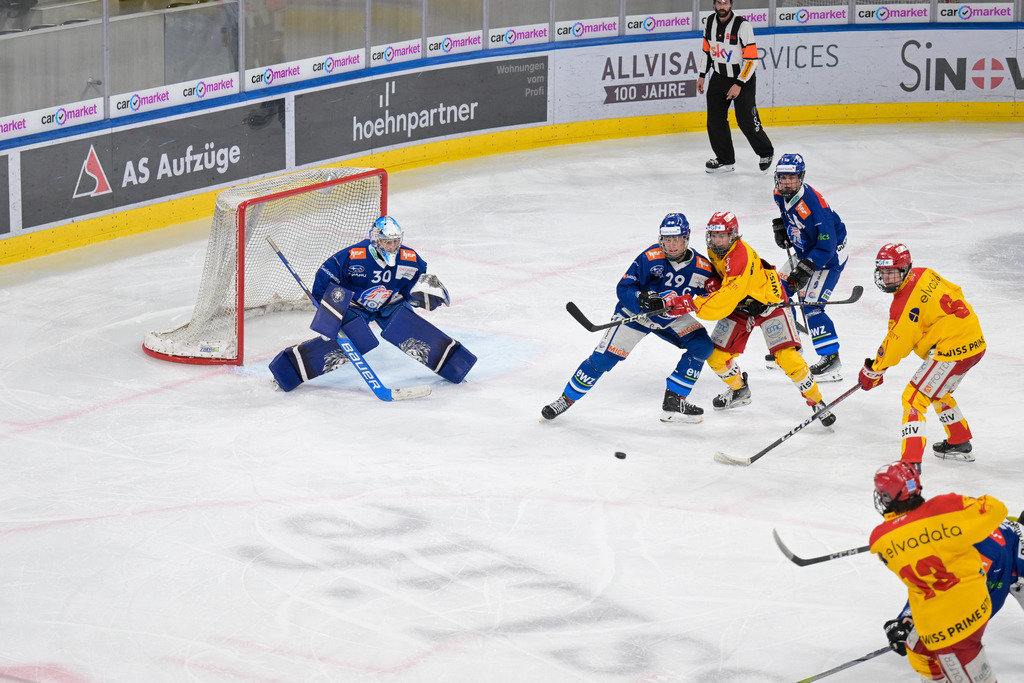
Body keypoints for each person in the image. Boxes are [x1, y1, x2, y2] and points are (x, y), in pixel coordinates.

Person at [663, 211, 836, 426]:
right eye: (713, 236)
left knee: (788, 358)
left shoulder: (739, 257)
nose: (717, 241)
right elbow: (723, 283)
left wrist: (690, 303)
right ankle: (739, 390)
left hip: (770, 304)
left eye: (722, 236)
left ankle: (817, 401)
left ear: (733, 235)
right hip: (741, 305)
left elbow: (724, 299)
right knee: (716, 357)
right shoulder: (714, 250)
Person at [268, 215, 476, 391]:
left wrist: (421, 296)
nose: (392, 246)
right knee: (353, 340)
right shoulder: (353, 256)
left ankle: (456, 366)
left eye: (395, 241)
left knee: (409, 328)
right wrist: (330, 314)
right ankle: (286, 372)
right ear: (376, 239)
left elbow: (412, 286)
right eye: (387, 241)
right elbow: (324, 280)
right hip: (356, 305)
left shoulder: (410, 258)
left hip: (389, 303)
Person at [541, 213, 715, 423]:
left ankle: (675, 399)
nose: (671, 245)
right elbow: (624, 288)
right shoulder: (650, 257)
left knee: (703, 346)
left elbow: (715, 298)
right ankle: (565, 400)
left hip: (671, 318)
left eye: (676, 239)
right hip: (636, 316)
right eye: (667, 239)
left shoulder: (703, 268)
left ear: (686, 238)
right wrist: (641, 299)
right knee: (602, 360)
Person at [869, 461, 1008, 683]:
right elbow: (997, 509)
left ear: (886, 496)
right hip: (977, 606)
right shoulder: (946, 507)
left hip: (945, 629)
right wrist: (958, 509)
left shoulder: (880, 540)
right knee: (918, 651)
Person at [858, 243, 986, 469]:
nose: (887, 278)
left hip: (952, 349)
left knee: (913, 397)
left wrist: (874, 369)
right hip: (974, 341)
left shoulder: (903, 304)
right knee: (937, 390)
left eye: (892, 272)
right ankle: (959, 441)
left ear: (905, 268)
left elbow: (897, 343)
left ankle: (911, 461)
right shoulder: (924, 273)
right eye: (883, 272)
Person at [883, 512, 1024, 678]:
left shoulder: (990, 548)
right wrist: (907, 617)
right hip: (998, 557)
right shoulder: (981, 552)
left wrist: (912, 619)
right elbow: (935, 582)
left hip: (1001, 559)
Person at [770, 153, 849, 382]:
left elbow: (828, 245)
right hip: (808, 250)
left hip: (829, 257)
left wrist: (804, 269)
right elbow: (790, 215)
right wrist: (784, 228)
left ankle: (831, 360)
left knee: (811, 305)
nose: (786, 183)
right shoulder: (779, 193)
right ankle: (790, 348)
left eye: (792, 178)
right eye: (782, 177)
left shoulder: (813, 205)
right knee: (778, 292)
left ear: (801, 177)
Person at [697, 0, 774, 174]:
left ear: (731, 4)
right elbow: (707, 51)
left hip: (742, 79)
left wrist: (739, 84)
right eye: (719, 2)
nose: (722, 6)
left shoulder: (742, 26)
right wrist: (702, 74)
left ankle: (766, 152)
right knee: (715, 121)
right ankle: (725, 160)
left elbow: (752, 59)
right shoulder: (709, 22)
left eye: (725, 2)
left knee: (746, 120)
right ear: (714, 4)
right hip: (718, 77)